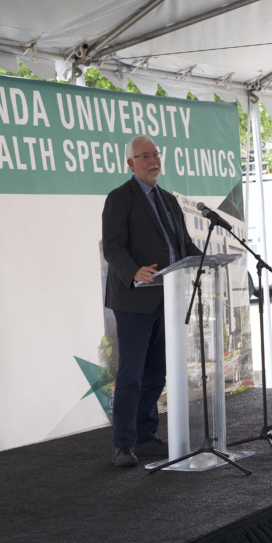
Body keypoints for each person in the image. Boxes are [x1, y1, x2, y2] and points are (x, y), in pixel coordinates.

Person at [102, 135, 201, 467]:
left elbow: (182, 244)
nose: (153, 161)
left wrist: (205, 259)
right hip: (134, 300)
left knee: (156, 372)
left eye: (155, 154)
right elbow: (113, 246)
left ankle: (145, 436)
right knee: (131, 373)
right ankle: (123, 443)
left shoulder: (169, 200)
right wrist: (134, 271)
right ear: (131, 164)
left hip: (167, 298)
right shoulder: (119, 198)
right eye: (144, 156)